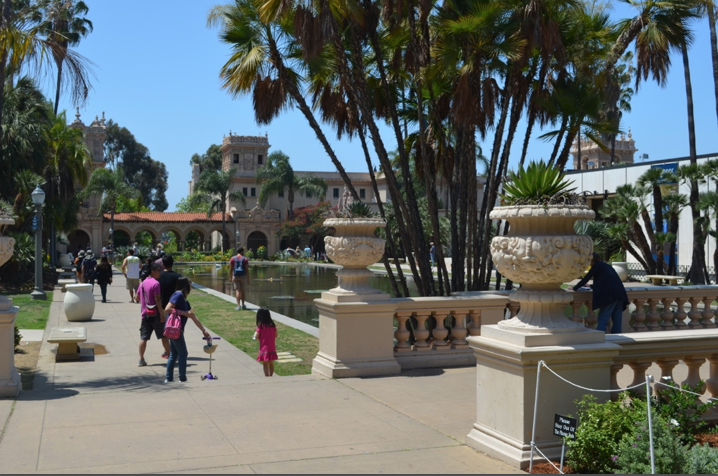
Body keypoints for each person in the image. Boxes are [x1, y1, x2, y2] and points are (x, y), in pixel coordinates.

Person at [164, 277, 210, 383]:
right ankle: (182, 378)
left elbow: (193, 316)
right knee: (183, 354)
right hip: (175, 329)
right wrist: (183, 313)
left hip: (175, 330)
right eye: (190, 284)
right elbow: (167, 308)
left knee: (174, 354)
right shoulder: (178, 295)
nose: (191, 287)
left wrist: (203, 330)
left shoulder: (184, 300)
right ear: (186, 285)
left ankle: (169, 378)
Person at [572, 252, 629, 333]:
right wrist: (591, 286)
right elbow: (606, 281)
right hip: (620, 294)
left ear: (592, 260)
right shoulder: (605, 265)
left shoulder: (596, 266)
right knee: (617, 321)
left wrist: (574, 288)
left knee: (602, 319)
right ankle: (617, 339)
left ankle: (600, 340)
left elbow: (586, 278)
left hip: (610, 296)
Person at [137, 262, 170, 367]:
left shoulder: (142, 284)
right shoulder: (156, 284)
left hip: (145, 314)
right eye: (157, 270)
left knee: (144, 338)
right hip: (155, 314)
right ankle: (170, 356)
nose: (159, 272)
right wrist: (161, 314)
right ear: (152, 271)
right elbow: (157, 299)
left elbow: (136, 298)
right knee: (163, 336)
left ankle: (141, 359)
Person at [253, 307, 278, 377]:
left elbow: (256, 336)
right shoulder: (272, 325)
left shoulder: (260, 326)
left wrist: (260, 338)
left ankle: (267, 376)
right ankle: (271, 375)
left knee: (265, 363)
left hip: (264, 347)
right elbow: (276, 335)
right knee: (271, 363)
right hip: (272, 347)